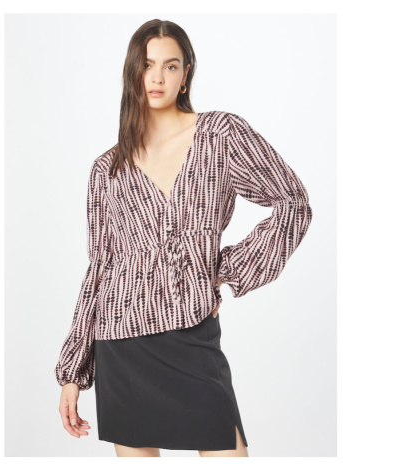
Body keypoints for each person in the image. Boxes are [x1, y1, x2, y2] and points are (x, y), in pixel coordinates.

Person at [55, 19, 313, 458]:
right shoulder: (107, 169)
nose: (157, 77)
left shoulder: (220, 135)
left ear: (185, 74)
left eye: (170, 66)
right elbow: (100, 268)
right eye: (147, 65)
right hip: (122, 342)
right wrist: (72, 374)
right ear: (132, 72)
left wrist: (224, 271)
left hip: (192, 333)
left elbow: (293, 203)